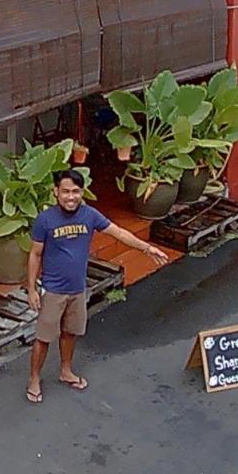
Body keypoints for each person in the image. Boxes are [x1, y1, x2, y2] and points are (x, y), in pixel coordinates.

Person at [25, 169, 169, 404]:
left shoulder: (90, 215)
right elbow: (35, 254)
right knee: (43, 338)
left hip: (78, 289)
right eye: (65, 191)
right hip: (53, 290)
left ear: (81, 193)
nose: (70, 197)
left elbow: (119, 233)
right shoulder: (45, 220)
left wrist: (146, 248)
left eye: (75, 192)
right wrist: (31, 289)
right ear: (56, 192)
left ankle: (66, 370)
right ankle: (33, 379)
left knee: (70, 332)